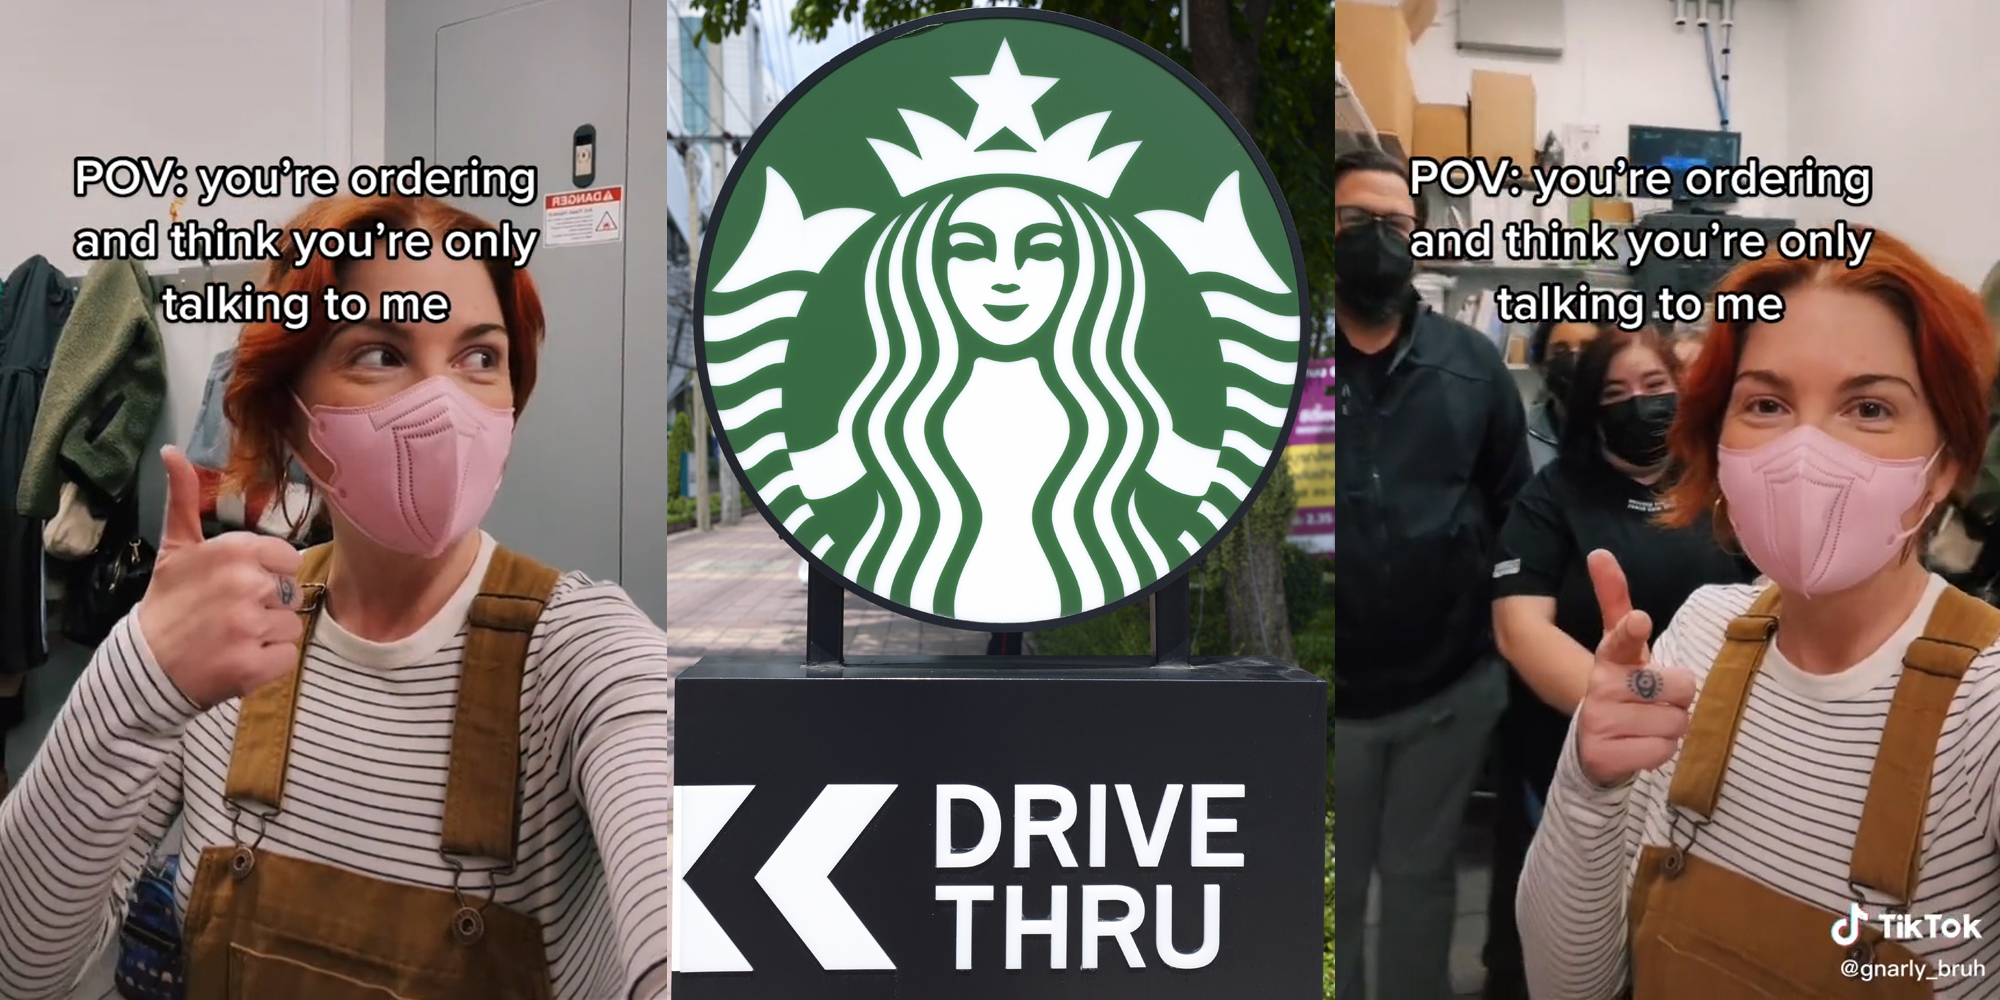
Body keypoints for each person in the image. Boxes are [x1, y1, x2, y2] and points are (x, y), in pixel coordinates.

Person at [0, 195, 678, 999]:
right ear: (288, 414)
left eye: (480, 358)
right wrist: (136, 680)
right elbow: (22, 968)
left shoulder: (585, 652)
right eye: (382, 354)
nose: (445, 407)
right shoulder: (219, 641)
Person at [1518, 229, 2000, 997]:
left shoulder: (1985, 709)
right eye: (1767, 403)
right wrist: (1588, 781)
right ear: (1722, 444)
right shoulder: (1699, 635)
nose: (1806, 450)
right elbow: (1566, 983)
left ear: (1944, 465)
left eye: (1870, 407)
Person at [1480, 325, 1754, 999]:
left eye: (1655, 386)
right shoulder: (1553, 497)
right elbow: (1520, 629)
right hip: (1579, 756)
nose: (1639, 403)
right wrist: (1632, 717)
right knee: (1575, 939)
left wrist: (1695, 735)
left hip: (1713, 762)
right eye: (1616, 391)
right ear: (1589, 407)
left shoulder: (1722, 487)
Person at [1333, 147, 1532, 1000]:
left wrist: (1499, 637)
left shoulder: (1471, 365)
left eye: (1396, 225)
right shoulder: (1272, 354)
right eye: (1355, 223)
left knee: (1419, 885)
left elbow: (1514, 506)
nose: (1378, 240)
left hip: (1445, 690)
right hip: (1321, 693)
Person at [1525, 320, 1602, 471]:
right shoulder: (1520, 435)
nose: (1574, 360)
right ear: (1542, 366)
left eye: (1588, 349)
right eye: (1560, 352)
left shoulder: (1629, 430)